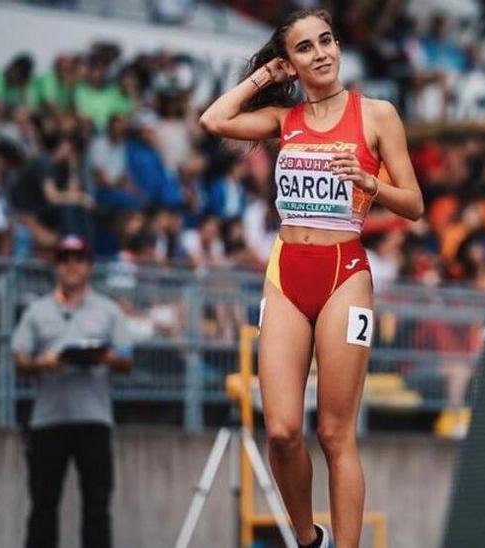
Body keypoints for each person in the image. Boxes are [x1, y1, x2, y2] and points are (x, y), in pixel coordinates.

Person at [199, 8, 423, 548]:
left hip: (345, 273)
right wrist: (264, 78)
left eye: (326, 41)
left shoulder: (376, 114)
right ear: (291, 62)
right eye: (305, 48)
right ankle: (307, 539)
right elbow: (213, 120)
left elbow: (413, 204)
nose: (321, 52)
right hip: (286, 275)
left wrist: (369, 181)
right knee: (280, 431)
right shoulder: (284, 119)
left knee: (334, 433)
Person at [11, 235, 134, 548]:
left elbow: (126, 359)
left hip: (94, 419)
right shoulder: (37, 311)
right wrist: (44, 363)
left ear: (90, 266)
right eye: (64, 258)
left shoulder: (108, 311)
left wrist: (105, 358)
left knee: (97, 506)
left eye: (79, 258)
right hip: (48, 421)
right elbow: (19, 360)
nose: (71, 265)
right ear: (56, 265)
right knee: (42, 504)